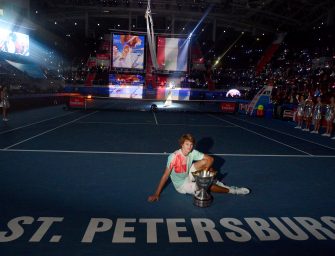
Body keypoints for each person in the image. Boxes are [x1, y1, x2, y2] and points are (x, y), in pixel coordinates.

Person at [147, 134, 250, 202]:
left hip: (188, 173)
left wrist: (204, 176)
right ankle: (233, 191)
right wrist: (156, 194)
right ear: (182, 144)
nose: (189, 147)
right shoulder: (173, 157)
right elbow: (165, 176)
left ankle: (210, 180)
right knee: (206, 186)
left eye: (191, 144)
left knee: (207, 166)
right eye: (187, 144)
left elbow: (210, 159)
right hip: (182, 185)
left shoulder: (192, 152)